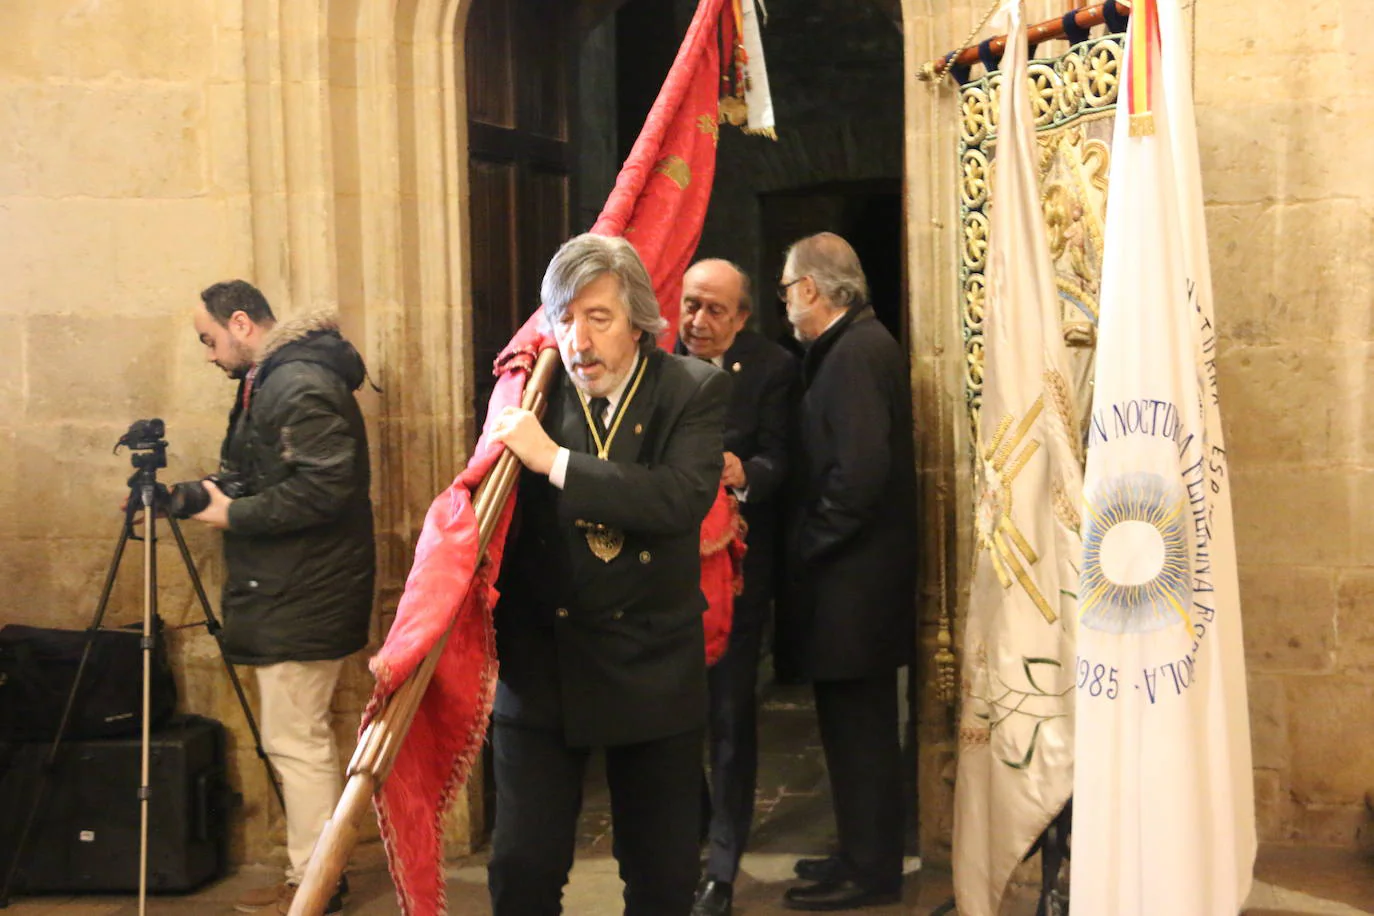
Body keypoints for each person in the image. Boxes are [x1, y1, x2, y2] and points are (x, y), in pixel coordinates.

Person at [486, 233, 729, 916]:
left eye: (598, 317)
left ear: (640, 323)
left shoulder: (693, 388)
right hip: (543, 665)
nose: (578, 340)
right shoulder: (528, 389)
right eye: (563, 318)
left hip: (650, 663)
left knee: (661, 876)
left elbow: (677, 499)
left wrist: (553, 462)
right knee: (520, 870)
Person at [186, 280, 374, 916]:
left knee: (299, 741)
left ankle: (314, 886)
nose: (209, 355)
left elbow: (325, 492)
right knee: (298, 738)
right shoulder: (275, 379)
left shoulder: (296, 382)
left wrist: (231, 516)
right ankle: (310, 878)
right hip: (293, 586)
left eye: (209, 340)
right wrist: (206, 493)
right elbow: (270, 472)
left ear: (241, 323)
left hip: (303, 589)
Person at [776, 233, 916, 911]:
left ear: (810, 289)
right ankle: (857, 851)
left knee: (861, 734)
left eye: (784, 289)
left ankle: (873, 870)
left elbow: (859, 473)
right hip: (850, 582)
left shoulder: (857, 351)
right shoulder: (849, 346)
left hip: (854, 583)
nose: (785, 303)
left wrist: (809, 542)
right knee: (847, 728)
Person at [676, 259, 798, 916]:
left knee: (727, 716)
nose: (697, 321)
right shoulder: (655, 360)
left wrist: (743, 471)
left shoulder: (773, 369)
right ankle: (691, 826)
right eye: (690, 305)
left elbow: (785, 459)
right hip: (666, 578)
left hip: (737, 574)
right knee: (675, 711)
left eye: (714, 309)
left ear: (744, 316)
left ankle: (723, 864)